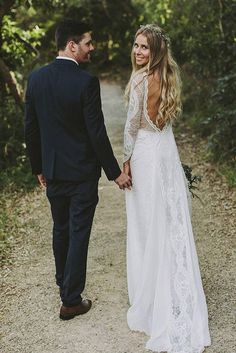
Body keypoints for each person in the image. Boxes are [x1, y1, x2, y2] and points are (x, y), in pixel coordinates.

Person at [24, 19, 131, 321]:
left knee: (61, 228)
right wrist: (115, 173)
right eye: (88, 43)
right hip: (83, 174)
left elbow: (30, 130)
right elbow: (96, 133)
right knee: (78, 231)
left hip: (54, 171)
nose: (91, 48)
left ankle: (64, 283)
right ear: (72, 45)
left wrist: (38, 167)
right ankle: (70, 299)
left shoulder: (36, 79)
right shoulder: (86, 82)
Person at [123, 24, 211, 352]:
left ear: (156, 50)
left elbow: (132, 125)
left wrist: (125, 160)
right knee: (170, 219)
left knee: (149, 223)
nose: (138, 51)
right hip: (167, 151)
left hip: (147, 154)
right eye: (136, 45)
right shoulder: (170, 76)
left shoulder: (141, 80)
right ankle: (173, 290)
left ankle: (152, 301)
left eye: (144, 47)